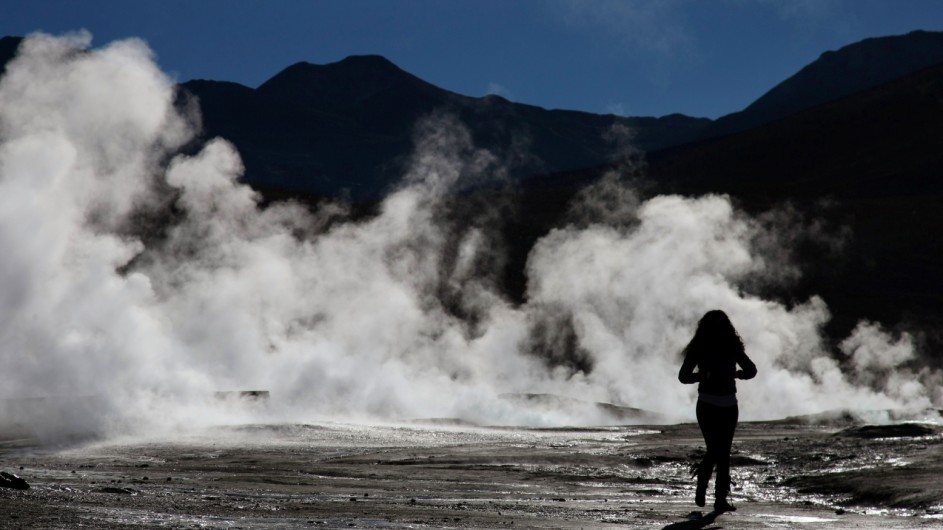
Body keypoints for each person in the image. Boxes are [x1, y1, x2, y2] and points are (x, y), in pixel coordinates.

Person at [678, 309, 757, 513]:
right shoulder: (707, 347)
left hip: (725, 405)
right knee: (718, 450)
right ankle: (708, 488)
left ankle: (716, 496)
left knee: (721, 452)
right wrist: (704, 376)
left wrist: (737, 374)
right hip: (711, 405)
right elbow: (684, 376)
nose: (717, 329)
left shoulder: (725, 347)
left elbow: (751, 370)